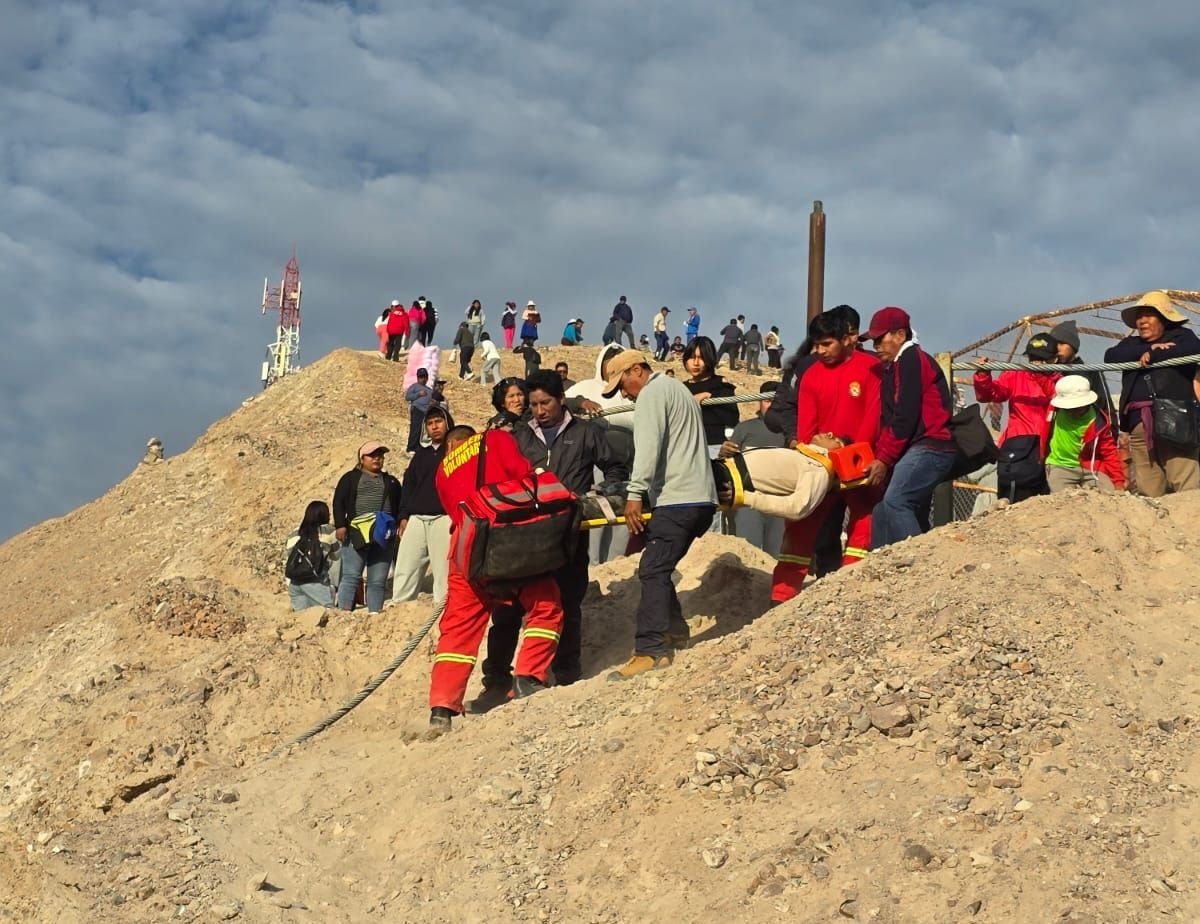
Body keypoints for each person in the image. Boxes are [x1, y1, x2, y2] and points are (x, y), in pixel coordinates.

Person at [469, 371, 629, 710]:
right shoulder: (519, 435)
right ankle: (496, 682)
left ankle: (565, 674)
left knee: (568, 602)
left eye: (546, 403)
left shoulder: (585, 432)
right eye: (534, 405)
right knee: (509, 609)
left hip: (569, 532)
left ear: (561, 399)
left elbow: (615, 467)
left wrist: (602, 492)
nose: (539, 411)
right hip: (524, 534)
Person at [428, 426, 565, 734]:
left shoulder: (442, 470)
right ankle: (529, 677)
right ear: (473, 437)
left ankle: (441, 708)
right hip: (506, 537)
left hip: (465, 547)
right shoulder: (495, 439)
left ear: (450, 445)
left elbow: (454, 512)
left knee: (459, 629)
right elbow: (524, 476)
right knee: (545, 605)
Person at [603, 352, 716, 680]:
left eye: (622, 385)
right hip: (700, 497)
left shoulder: (652, 394)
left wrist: (635, 493)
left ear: (636, 370)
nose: (624, 394)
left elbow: (648, 448)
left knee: (652, 569)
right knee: (659, 567)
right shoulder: (678, 389)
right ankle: (674, 632)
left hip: (678, 498)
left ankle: (651, 650)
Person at [771, 311, 882, 602]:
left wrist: (848, 450)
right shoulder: (812, 375)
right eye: (817, 344)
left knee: (863, 523)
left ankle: (852, 590)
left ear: (847, 339)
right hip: (823, 464)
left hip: (860, 463)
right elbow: (807, 428)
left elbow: (872, 420)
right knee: (800, 524)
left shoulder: (871, 369)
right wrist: (814, 454)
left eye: (826, 344)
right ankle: (781, 595)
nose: (820, 351)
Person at [862, 307, 956, 548]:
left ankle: (920, 561)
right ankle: (881, 564)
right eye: (873, 341)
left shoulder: (910, 360)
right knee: (883, 511)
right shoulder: (897, 365)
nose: (876, 346)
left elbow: (904, 416)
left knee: (897, 501)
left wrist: (884, 459)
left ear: (900, 335)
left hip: (932, 446)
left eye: (880, 339)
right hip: (918, 448)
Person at [1104, 290, 1200, 496]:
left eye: (1149, 315)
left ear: (1164, 317)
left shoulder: (1181, 336)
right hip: (1138, 422)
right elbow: (1110, 356)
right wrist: (1144, 351)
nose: (1142, 321)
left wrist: (1157, 353)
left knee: (1185, 481)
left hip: (1176, 419)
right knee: (1148, 486)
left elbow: (1194, 348)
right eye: (1139, 317)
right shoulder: (1132, 344)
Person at [973, 334, 1060, 502]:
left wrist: (1041, 377)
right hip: (1020, 444)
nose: (1037, 362)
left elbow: (1057, 399)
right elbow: (990, 394)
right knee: (1014, 498)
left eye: (1042, 359)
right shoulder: (1016, 374)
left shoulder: (1060, 381)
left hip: (1051, 446)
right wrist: (983, 375)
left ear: (1054, 360)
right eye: (1033, 358)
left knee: (1047, 502)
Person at [332, 441, 402, 614]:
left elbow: (400, 506)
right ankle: (343, 614)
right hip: (356, 533)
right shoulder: (350, 478)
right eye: (372, 455)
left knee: (377, 580)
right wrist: (340, 525)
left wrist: (399, 526)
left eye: (380, 455)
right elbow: (338, 502)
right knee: (351, 576)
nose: (377, 459)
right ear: (362, 459)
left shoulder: (391, 481)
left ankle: (374, 614)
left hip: (383, 535)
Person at [392, 407, 452, 604]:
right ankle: (400, 607)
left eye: (438, 422)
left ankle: (443, 608)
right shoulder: (420, 455)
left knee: (443, 569)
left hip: (444, 517)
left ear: (447, 423)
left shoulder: (456, 452)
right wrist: (403, 516)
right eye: (430, 423)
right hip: (416, 517)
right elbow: (408, 486)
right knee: (406, 566)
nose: (434, 427)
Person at [720, 381, 786, 557]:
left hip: (781, 503)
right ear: (759, 402)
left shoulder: (791, 432)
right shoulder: (745, 428)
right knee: (749, 553)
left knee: (777, 555)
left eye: (776, 401)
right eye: (767, 401)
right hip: (749, 502)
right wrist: (724, 452)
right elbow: (726, 463)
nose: (771, 406)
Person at [1043, 376, 1125, 493]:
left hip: (1091, 468)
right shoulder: (1055, 410)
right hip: (1060, 465)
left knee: (1107, 495)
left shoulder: (1098, 421)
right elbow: (1043, 381)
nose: (1073, 411)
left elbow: (1109, 451)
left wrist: (1118, 481)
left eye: (1077, 407)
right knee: (1061, 498)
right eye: (1069, 408)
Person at [681, 336, 738, 458]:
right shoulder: (681, 389)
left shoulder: (721, 386)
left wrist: (709, 396)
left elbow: (732, 419)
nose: (696, 363)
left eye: (701, 358)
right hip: (685, 449)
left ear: (710, 359)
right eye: (692, 357)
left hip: (715, 450)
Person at [1049, 319, 1115, 421]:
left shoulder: (1090, 371)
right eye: (1054, 345)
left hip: (1088, 425)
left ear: (1073, 346)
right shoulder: (1051, 372)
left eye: (1062, 343)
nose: (1058, 348)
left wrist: (1112, 426)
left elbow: (1105, 403)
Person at [285, 500, 340, 611]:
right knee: (327, 615)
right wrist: (335, 584)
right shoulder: (328, 532)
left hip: (294, 584)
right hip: (316, 583)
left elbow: (289, 558)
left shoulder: (293, 534)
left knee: (302, 619)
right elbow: (336, 559)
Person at [405, 368, 436, 453]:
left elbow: (433, 400)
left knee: (422, 431)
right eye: (420, 377)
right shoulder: (414, 386)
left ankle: (417, 446)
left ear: (427, 377)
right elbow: (407, 397)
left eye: (424, 377)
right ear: (417, 377)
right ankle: (411, 447)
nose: (423, 379)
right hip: (417, 409)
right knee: (415, 428)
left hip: (426, 412)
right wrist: (418, 394)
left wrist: (433, 403)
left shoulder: (429, 390)